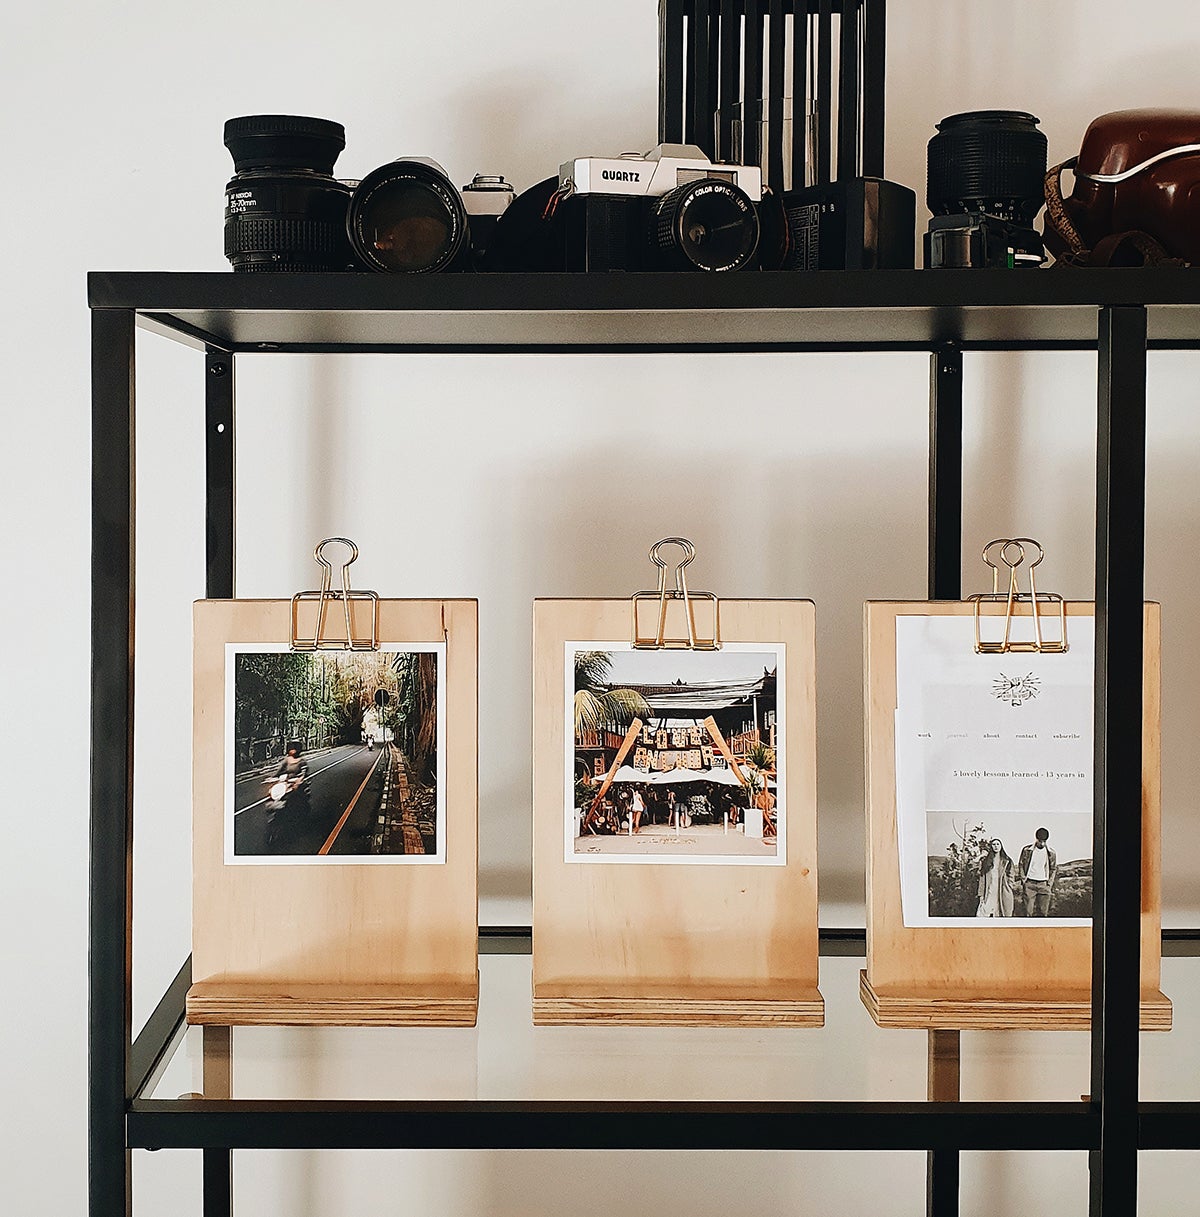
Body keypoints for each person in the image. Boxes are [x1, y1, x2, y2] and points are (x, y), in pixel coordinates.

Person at [1018, 827, 1058, 916]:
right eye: (1040, 841)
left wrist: (1049, 883)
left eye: (1044, 841)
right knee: (1028, 913)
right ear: (1036, 839)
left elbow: (1053, 868)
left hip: (1044, 884)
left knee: (1043, 913)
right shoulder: (1027, 850)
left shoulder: (1051, 853)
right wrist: (1024, 880)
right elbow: (1021, 864)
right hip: (1029, 884)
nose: (1042, 843)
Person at [977, 838, 1016, 917]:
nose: (996, 846)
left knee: (1000, 911)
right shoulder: (986, 861)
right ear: (991, 846)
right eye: (994, 844)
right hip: (990, 888)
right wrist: (981, 894)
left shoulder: (1007, 860)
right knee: (984, 911)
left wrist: (1009, 885)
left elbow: (1011, 874)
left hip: (1002, 889)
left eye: (998, 844)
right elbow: (982, 878)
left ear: (1001, 846)